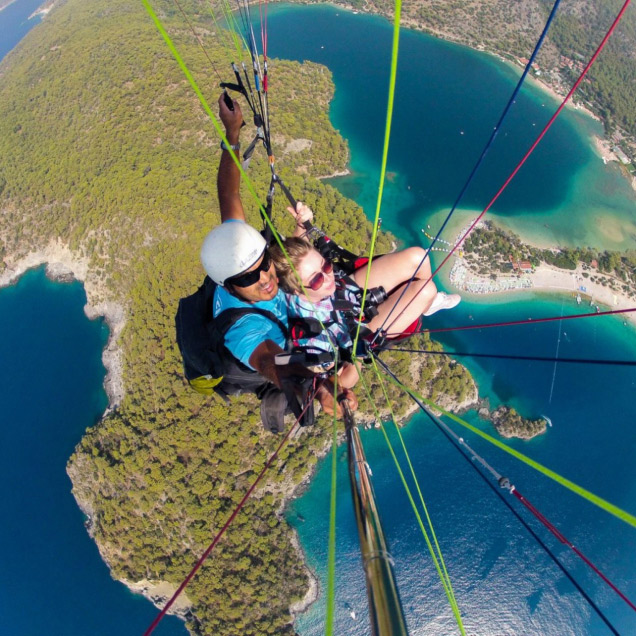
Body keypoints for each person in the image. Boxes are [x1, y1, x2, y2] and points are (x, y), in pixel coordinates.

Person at [198, 94, 357, 431]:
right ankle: (282, 399)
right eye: (250, 278)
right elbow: (271, 360)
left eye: (264, 264)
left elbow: (228, 194)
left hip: (296, 328)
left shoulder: (239, 249)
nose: (266, 278)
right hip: (281, 354)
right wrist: (320, 387)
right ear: (229, 287)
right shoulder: (241, 330)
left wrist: (232, 132)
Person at [269, 204, 461, 380]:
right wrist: (357, 353)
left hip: (347, 292)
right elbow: (343, 381)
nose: (328, 277)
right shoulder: (312, 338)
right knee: (424, 290)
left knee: (419, 257)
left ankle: (428, 305)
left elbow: (297, 260)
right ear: (297, 291)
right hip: (359, 330)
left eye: (326, 266)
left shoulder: (295, 279)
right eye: (317, 279)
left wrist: (302, 225)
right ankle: (425, 302)